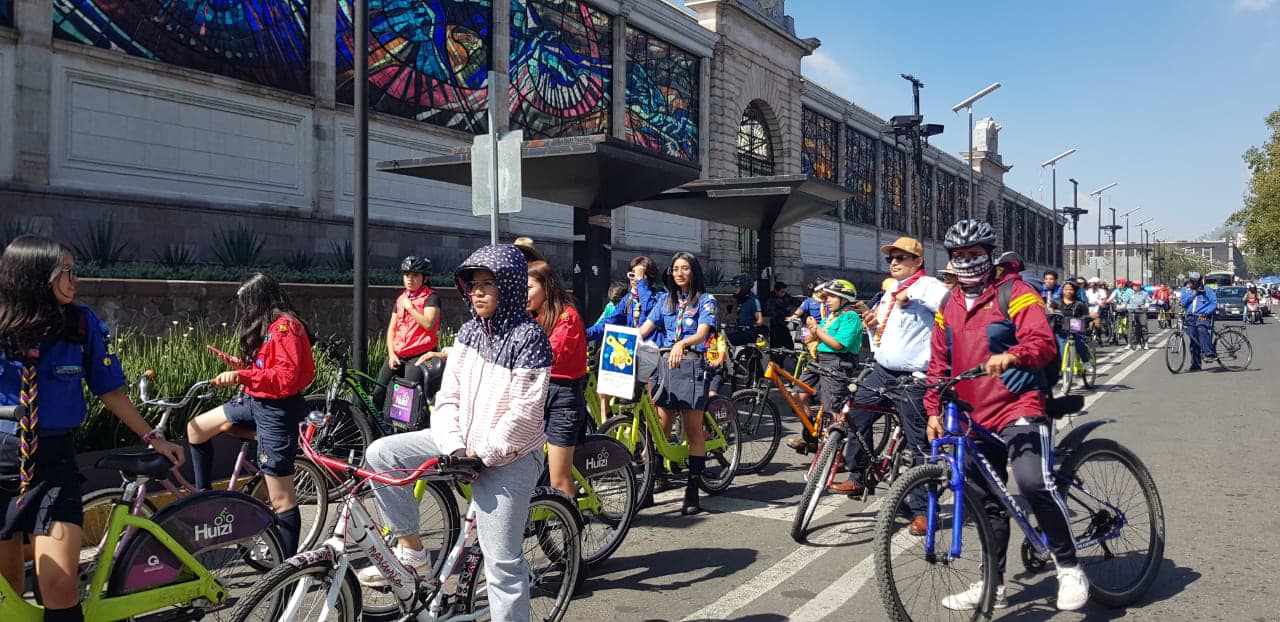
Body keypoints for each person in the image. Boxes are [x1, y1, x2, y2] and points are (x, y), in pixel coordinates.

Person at [357, 245, 551, 622]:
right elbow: (449, 397)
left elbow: (525, 413)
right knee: (382, 455)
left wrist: (483, 456)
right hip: (460, 444)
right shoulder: (467, 333)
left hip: (509, 458)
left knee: (502, 564)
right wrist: (456, 447)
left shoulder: (530, 337)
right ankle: (413, 552)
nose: (477, 292)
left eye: (488, 284)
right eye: (473, 284)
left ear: (509, 286)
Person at [0, 236, 185, 622]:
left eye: (74, 270)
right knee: (7, 593)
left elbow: (110, 391)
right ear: (35, 275)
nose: (75, 279)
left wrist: (153, 436)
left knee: (60, 586)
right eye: (66, 271)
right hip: (1, 458)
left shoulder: (80, 324)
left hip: (52, 464)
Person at [928, 220, 1088, 612]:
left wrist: (1015, 354)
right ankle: (992, 584)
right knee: (984, 502)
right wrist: (933, 408)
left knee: (1032, 481)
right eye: (959, 257)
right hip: (971, 413)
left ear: (989, 254)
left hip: (1018, 403)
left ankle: (1069, 567)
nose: (967, 263)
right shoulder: (948, 305)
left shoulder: (1015, 293)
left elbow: (1041, 339)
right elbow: (938, 363)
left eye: (975, 255)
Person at [186, 273, 315, 555]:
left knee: (282, 500)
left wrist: (241, 377)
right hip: (253, 401)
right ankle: (205, 499)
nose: (243, 310)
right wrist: (240, 368)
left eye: (246, 303)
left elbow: (286, 379)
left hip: (276, 409)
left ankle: (286, 570)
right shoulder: (270, 327)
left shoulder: (287, 328)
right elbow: (266, 368)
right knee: (196, 428)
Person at [830, 237, 946, 523]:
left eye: (901, 257)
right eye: (891, 258)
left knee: (919, 442)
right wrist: (871, 324)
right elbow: (882, 329)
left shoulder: (929, 286)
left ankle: (922, 510)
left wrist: (916, 299)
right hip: (882, 369)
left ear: (917, 261)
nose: (894, 262)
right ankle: (859, 476)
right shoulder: (891, 289)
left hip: (914, 376)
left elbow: (948, 306)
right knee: (856, 414)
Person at [639, 252, 717, 515]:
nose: (679, 273)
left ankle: (692, 490)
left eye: (685, 268)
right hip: (664, 367)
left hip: (691, 365)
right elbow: (645, 329)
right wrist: (620, 340)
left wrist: (683, 343)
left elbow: (703, 333)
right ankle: (648, 485)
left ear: (693, 271)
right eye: (675, 269)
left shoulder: (706, 301)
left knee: (694, 431)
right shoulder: (664, 301)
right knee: (659, 428)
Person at [527, 259, 588, 499]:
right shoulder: (530, 316)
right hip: (533, 393)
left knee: (559, 479)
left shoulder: (567, 317)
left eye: (529, 287)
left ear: (547, 286)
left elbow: (551, 353)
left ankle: (572, 531)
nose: (523, 294)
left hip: (562, 397)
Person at [372, 256, 440, 409]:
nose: (410, 279)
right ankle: (373, 430)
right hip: (398, 355)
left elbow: (429, 324)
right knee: (378, 393)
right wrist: (391, 354)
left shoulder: (431, 297)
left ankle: (408, 430)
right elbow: (392, 328)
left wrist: (410, 308)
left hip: (419, 356)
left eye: (415, 275)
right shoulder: (401, 298)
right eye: (407, 275)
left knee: (406, 400)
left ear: (425, 277)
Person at [1049, 281, 1093, 369]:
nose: (1068, 291)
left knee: (1080, 344)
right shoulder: (1056, 302)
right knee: (1061, 346)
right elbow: (1050, 310)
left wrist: (1089, 318)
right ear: (1062, 291)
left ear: (1074, 291)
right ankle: (1062, 366)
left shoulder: (1079, 304)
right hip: (1060, 329)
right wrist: (1052, 312)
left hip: (1075, 329)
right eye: (1066, 289)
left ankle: (1086, 362)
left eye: (1071, 289)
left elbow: (1086, 314)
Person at [1180, 271, 1218, 370]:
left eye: (1194, 281)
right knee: (1193, 339)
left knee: (1201, 329)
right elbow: (1183, 302)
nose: (1192, 283)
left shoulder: (1207, 290)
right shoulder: (1185, 290)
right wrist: (1194, 294)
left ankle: (1210, 353)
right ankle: (1196, 364)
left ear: (1200, 281)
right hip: (1190, 316)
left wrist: (1206, 313)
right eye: (1191, 281)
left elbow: (1214, 303)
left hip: (1202, 315)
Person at [728, 273, 764, 346]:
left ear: (744, 287)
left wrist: (751, 325)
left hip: (749, 333)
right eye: (735, 287)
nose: (734, 289)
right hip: (740, 331)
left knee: (726, 340)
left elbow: (760, 320)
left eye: (737, 287)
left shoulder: (754, 300)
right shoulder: (741, 300)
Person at [764, 281, 796, 349]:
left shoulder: (786, 296)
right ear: (776, 291)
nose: (783, 294)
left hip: (783, 323)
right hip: (775, 325)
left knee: (789, 345)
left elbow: (793, 300)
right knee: (776, 346)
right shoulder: (770, 299)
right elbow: (772, 312)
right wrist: (785, 311)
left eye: (784, 292)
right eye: (782, 292)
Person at [1125, 281, 1152, 349]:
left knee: (1143, 327)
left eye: (1137, 285)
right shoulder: (1129, 293)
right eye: (1134, 285)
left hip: (1141, 312)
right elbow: (1125, 302)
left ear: (1140, 286)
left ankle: (1146, 342)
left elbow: (1147, 303)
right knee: (1131, 327)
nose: (1135, 286)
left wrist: (1145, 306)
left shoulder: (1144, 294)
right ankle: (1130, 343)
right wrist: (1124, 306)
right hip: (1132, 312)